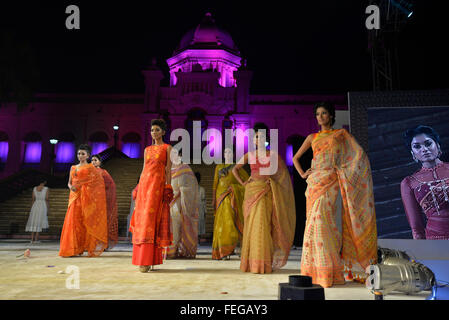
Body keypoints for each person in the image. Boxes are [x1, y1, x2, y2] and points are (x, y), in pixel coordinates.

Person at [292, 102, 377, 288]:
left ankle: (329, 271)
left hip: (331, 182)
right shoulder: (312, 137)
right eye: (317, 114)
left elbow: (358, 155)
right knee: (313, 224)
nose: (320, 117)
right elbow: (295, 157)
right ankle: (314, 271)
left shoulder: (341, 135)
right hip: (314, 183)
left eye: (324, 113)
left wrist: (343, 171)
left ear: (331, 116)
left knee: (325, 223)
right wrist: (302, 173)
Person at [232, 123, 296, 273]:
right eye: (256, 136)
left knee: (263, 226)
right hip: (251, 191)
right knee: (252, 226)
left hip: (266, 191)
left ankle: (262, 263)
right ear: (253, 140)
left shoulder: (272, 155)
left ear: (265, 138)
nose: (258, 139)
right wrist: (243, 182)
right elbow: (235, 169)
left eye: (261, 136)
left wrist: (272, 181)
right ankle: (251, 263)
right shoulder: (249, 155)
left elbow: (283, 176)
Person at [129, 119, 173, 272]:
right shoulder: (147, 149)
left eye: (157, 130)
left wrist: (168, 187)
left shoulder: (168, 148)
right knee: (142, 220)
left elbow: (168, 170)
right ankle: (143, 259)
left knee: (151, 220)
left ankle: (148, 259)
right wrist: (138, 187)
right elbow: (143, 169)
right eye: (152, 130)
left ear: (163, 132)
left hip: (157, 186)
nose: (154, 132)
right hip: (145, 187)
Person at [59, 144, 108, 257]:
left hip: (85, 198)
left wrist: (84, 187)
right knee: (72, 222)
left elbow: (98, 183)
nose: (80, 156)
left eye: (83, 154)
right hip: (74, 197)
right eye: (78, 153)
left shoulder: (91, 167)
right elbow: (69, 182)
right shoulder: (73, 167)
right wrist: (70, 187)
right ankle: (71, 249)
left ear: (87, 155)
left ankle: (80, 248)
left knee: (82, 223)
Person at [400, 125, 449, 240]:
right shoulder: (409, 183)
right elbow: (416, 228)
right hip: (436, 242)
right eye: (417, 146)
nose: (424, 149)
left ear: (437, 145)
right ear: (413, 153)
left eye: (428, 144)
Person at [212, 147, 249, 260]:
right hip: (220, 197)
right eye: (225, 152)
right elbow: (215, 185)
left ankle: (230, 249)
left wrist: (235, 187)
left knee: (230, 223)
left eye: (229, 152)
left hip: (232, 198)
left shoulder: (237, 167)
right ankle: (221, 251)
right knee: (220, 224)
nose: (227, 154)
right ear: (223, 154)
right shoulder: (218, 167)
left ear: (233, 154)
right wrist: (214, 199)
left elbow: (246, 181)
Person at [167, 148, 199, 259]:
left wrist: (179, 192)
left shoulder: (185, 168)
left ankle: (176, 249)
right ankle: (169, 251)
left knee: (176, 226)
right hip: (168, 201)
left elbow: (191, 186)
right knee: (168, 226)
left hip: (180, 202)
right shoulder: (167, 169)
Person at [91, 154, 119, 250]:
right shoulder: (88, 172)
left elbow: (111, 186)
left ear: (100, 162)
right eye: (92, 160)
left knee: (103, 223)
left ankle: (104, 244)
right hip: (91, 201)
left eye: (95, 160)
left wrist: (103, 194)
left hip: (102, 201)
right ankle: (91, 244)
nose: (93, 162)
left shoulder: (103, 172)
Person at [195, 172, 207, 242]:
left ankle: (198, 238)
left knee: (200, 223)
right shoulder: (191, 189)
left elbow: (204, 201)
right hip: (194, 208)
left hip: (200, 208)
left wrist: (205, 211)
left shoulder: (202, 189)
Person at [127, 178, 139, 242]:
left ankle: (134, 238)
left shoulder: (136, 188)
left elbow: (134, 196)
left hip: (136, 208)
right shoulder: (141, 186)